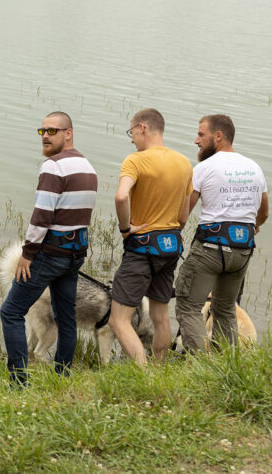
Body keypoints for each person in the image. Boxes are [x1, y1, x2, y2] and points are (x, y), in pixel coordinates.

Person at [0, 112, 97, 380]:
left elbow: (42, 215)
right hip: (75, 253)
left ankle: (18, 381)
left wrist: (28, 254)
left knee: (11, 311)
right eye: (42, 131)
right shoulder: (88, 167)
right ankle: (62, 376)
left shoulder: (54, 167)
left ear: (69, 134)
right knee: (66, 317)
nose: (45, 136)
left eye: (52, 131)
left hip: (51, 253)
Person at [175, 115, 269, 351]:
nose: (196, 140)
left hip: (210, 248)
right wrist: (253, 226)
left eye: (201, 134)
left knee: (188, 306)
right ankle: (224, 369)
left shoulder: (204, 167)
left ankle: (197, 366)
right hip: (243, 250)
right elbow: (264, 212)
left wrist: (174, 233)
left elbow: (184, 214)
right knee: (225, 308)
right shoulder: (253, 167)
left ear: (218, 136)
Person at [109, 108, 192, 366]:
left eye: (131, 132)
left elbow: (122, 196)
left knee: (118, 320)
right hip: (169, 248)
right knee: (160, 316)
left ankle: (143, 374)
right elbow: (183, 217)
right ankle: (159, 369)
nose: (132, 139)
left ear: (142, 128)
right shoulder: (184, 163)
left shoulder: (136, 160)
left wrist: (126, 228)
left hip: (142, 248)